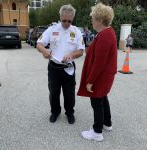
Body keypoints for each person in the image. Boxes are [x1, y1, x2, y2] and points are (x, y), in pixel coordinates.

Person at [37, 4, 85, 124]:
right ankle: (55, 112)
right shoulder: (52, 29)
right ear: (60, 17)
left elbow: (81, 50)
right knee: (54, 91)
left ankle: (69, 112)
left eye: (69, 20)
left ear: (72, 19)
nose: (66, 23)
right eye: (64, 20)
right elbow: (39, 43)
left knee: (69, 93)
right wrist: (45, 51)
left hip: (68, 67)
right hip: (54, 67)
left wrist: (72, 55)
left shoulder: (76, 32)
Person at [77, 3, 117, 141]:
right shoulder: (108, 32)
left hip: (101, 77)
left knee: (96, 102)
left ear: (100, 20)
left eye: (93, 18)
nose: (92, 21)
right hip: (105, 76)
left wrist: (90, 81)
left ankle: (97, 132)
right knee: (103, 98)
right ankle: (107, 123)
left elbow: (99, 62)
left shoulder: (105, 35)